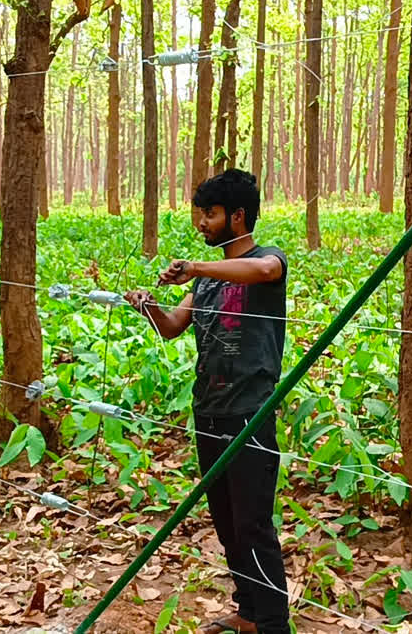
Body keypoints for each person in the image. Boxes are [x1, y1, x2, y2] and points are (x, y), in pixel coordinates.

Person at [125, 169, 291, 634]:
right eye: (200, 215)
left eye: (211, 215)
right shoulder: (209, 281)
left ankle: (275, 623)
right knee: (226, 520)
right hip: (209, 410)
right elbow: (173, 326)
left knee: (254, 523)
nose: (202, 224)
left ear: (238, 217)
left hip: (249, 412)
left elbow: (262, 272)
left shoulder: (266, 259)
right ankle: (248, 611)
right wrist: (147, 305)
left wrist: (195, 267)